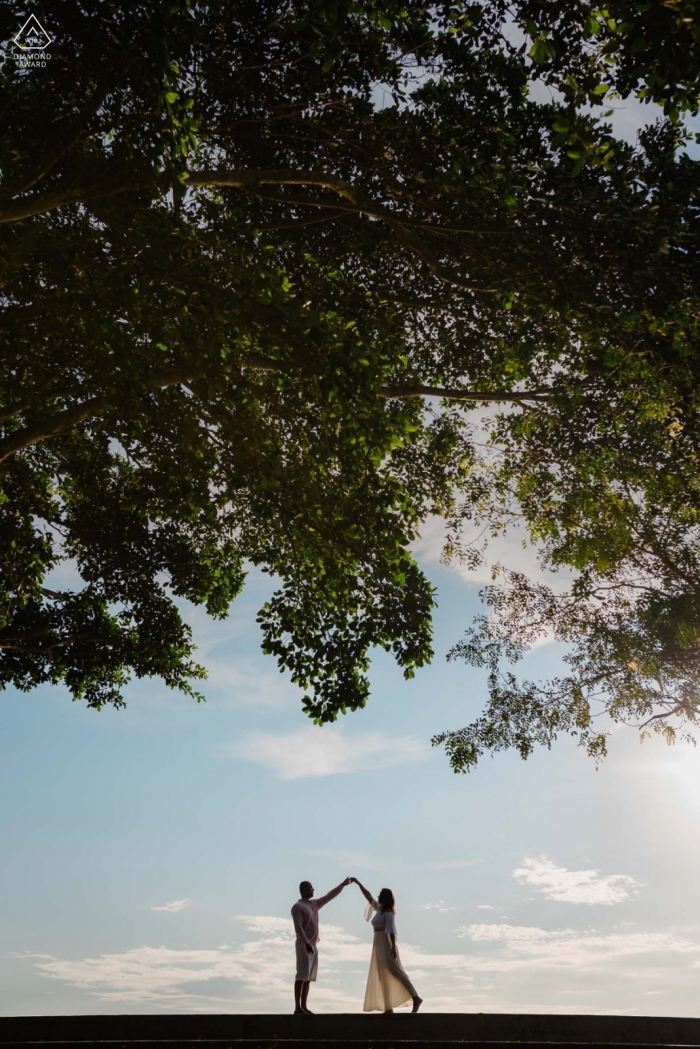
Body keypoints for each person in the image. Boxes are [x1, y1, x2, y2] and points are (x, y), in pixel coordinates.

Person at [351, 878, 423, 1013]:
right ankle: (388, 1007)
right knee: (382, 972)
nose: (377, 897)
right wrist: (358, 882)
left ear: (384, 898)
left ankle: (416, 997)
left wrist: (393, 948)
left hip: (386, 942)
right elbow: (368, 896)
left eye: (380, 896)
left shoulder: (389, 913)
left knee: (396, 971)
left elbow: (391, 930)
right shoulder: (379, 909)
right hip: (378, 942)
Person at [291, 877, 351, 1014]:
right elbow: (298, 928)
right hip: (304, 945)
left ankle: (304, 1006)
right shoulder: (298, 907)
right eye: (311, 887)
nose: (313, 889)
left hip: (313, 945)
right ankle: (297, 1007)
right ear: (304, 890)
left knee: (308, 978)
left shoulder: (314, 904)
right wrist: (306, 944)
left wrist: (342, 885)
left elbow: (329, 896)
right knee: (301, 976)